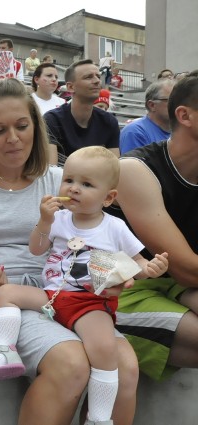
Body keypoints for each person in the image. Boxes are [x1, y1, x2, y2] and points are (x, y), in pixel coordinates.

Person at [0, 77, 140, 425]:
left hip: (63, 294)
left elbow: (92, 239)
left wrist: (110, 277)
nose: (13, 138)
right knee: (70, 363)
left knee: (126, 367)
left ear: (35, 127)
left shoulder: (62, 180)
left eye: (22, 126)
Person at [0, 146, 168, 425]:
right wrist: (45, 221)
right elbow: (36, 249)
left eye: (86, 184)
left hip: (89, 303)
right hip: (54, 296)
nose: (74, 189)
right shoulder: (58, 218)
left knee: (105, 353)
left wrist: (150, 268)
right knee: (7, 292)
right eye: (69, 180)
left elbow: (137, 264)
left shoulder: (114, 227)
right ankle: (3, 351)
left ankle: (99, 418)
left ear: (108, 197)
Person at [107, 70, 198, 382]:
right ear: (185, 115)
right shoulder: (135, 170)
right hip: (118, 289)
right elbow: (186, 268)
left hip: (174, 286)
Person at [44, 59, 120, 166]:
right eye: (88, 77)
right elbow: (51, 173)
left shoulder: (109, 122)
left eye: (98, 76)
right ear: (70, 87)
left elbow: (113, 172)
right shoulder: (51, 120)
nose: (97, 81)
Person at [120, 78, 174, 153]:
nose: (178, 104)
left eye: (179, 99)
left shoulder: (178, 132)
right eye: (172, 100)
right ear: (152, 105)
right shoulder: (135, 132)